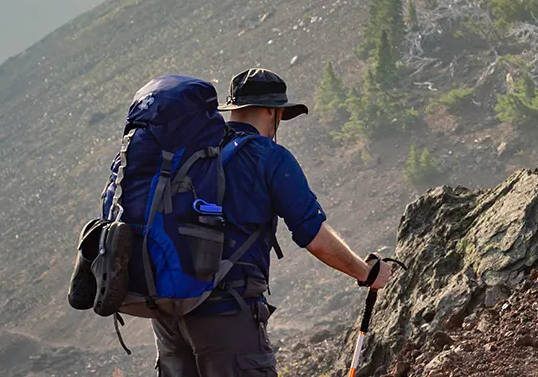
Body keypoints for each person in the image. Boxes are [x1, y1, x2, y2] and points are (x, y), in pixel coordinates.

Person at [152, 68, 395, 377]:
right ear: (272, 111)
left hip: (168, 313)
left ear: (234, 109)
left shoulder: (190, 154)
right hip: (225, 313)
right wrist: (367, 272)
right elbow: (314, 236)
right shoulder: (269, 157)